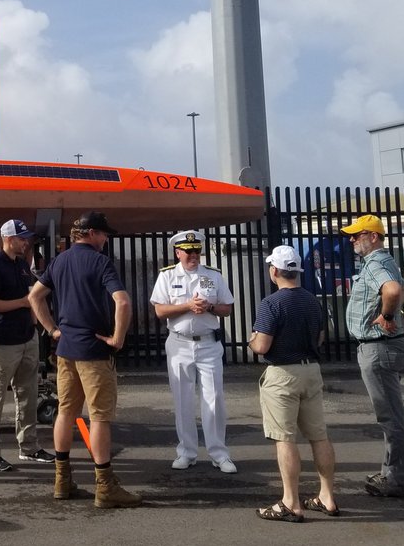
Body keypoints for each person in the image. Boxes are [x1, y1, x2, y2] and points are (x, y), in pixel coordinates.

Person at [28, 211, 141, 509]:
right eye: (103, 233)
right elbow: (123, 301)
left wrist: (52, 329)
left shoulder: (59, 261)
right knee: (100, 416)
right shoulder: (100, 262)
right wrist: (118, 338)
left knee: (66, 411)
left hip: (65, 349)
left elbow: (35, 297)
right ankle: (105, 486)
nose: (106, 239)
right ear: (90, 233)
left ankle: (61, 480)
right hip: (94, 350)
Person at [249, 245, 339, 522]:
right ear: (297, 270)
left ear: (274, 271)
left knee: (284, 438)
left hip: (282, 374)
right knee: (319, 436)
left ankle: (291, 501)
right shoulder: (313, 301)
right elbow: (321, 337)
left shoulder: (271, 304)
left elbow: (262, 345)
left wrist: (251, 340)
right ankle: (327, 496)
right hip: (311, 370)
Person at [149, 229, 237, 473]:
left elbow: (227, 308)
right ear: (178, 253)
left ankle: (219, 453)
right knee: (183, 399)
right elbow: (159, 311)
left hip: (208, 343)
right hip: (179, 343)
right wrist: (187, 305)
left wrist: (208, 306)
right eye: (187, 251)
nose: (193, 255)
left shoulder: (213, 275)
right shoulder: (166, 276)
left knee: (214, 399)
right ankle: (186, 452)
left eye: (196, 251)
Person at [342, 213, 404, 499]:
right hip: (383, 346)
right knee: (392, 414)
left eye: (357, 235)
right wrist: (388, 313)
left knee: (390, 417)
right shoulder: (384, 261)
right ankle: (392, 473)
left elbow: (395, 289)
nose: (352, 240)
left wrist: (385, 315)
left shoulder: (375, 262)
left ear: (373, 236)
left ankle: (398, 479)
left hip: (379, 347)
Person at [0, 219, 52, 472]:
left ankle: (29, 446)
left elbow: (29, 296)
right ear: (8, 239)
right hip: (3, 341)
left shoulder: (21, 264)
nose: (26, 242)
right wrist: (21, 303)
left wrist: (34, 324)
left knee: (28, 394)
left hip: (25, 337)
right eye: (21, 238)